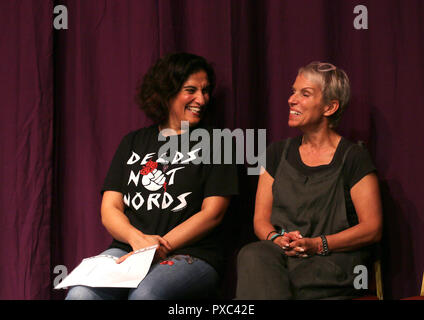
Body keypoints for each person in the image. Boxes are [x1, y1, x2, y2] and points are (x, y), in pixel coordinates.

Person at [66, 52, 238, 300]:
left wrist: (157, 247)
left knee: (146, 295)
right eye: (191, 90)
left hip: (191, 253)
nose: (201, 99)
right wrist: (137, 240)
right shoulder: (133, 142)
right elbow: (110, 208)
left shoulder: (220, 143)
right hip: (130, 248)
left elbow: (213, 213)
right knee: (81, 295)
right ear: (166, 92)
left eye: (206, 91)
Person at [235, 61, 382, 300]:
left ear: (329, 107)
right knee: (252, 255)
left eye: (305, 94)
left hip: (331, 261)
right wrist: (277, 239)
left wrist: (317, 244)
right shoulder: (275, 153)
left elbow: (372, 229)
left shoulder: (353, 157)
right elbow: (261, 220)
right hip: (281, 258)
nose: (292, 100)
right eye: (293, 91)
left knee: (264, 283)